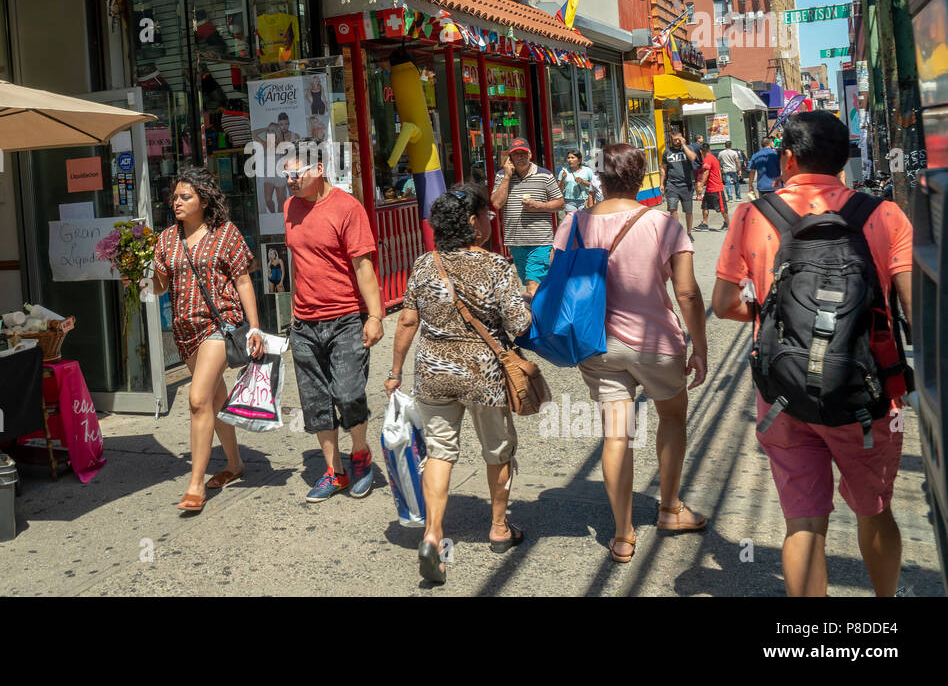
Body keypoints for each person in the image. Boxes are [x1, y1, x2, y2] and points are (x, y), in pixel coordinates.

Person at [712, 113, 913, 597]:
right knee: (875, 510)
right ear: (846, 158)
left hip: (784, 395)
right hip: (866, 397)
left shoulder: (751, 214)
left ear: (788, 157)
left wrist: (774, 311)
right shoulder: (884, 215)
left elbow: (723, 305)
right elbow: (915, 309)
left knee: (802, 524)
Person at [552, 144, 709, 563]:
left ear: (599, 177)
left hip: (598, 345)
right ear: (642, 178)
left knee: (615, 434)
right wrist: (701, 349)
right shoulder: (663, 223)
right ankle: (670, 508)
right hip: (656, 343)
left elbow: (558, 280)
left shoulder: (574, 222)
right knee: (672, 417)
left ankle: (623, 535)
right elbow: (688, 293)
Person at [386, 184, 530, 583]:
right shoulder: (497, 266)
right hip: (484, 373)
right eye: (487, 214)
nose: (491, 220)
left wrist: (395, 372)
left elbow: (407, 321)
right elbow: (519, 324)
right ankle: (499, 528)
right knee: (497, 450)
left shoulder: (424, 264)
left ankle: (433, 535)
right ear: (472, 223)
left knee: (439, 451)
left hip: (433, 371)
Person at [151, 168, 266, 513]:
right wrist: (136, 276)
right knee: (215, 399)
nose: (177, 202)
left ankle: (195, 484)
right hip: (185, 331)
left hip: (219, 323)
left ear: (203, 199)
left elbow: (243, 281)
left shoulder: (224, 233)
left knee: (198, 398)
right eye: (174, 197)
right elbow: (158, 287)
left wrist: (256, 327)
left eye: (185, 196)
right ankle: (234, 464)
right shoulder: (167, 239)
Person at [283, 143, 385, 502]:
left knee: (348, 393)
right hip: (304, 323)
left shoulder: (347, 208)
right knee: (315, 401)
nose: (291, 180)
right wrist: (295, 312)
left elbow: (363, 266)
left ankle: (359, 455)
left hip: (345, 319)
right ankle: (334, 471)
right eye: (287, 174)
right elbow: (301, 262)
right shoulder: (290, 207)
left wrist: (374, 315)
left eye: (297, 173)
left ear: (320, 169)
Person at [490, 139, 564, 295]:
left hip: (540, 241)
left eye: (523, 153)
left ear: (530, 154)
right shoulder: (502, 176)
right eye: (516, 154)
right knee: (532, 284)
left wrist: (539, 206)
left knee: (532, 286)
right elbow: (497, 203)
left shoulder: (545, 175)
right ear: (510, 158)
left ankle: (533, 319)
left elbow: (560, 203)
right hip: (515, 242)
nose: (520, 157)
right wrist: (507, 177)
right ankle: (544, 310)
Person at [252, 112, 297, 213]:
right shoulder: (264, 144)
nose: (269, 132)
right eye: (269, 131)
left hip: (280, 176)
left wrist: (276, 130)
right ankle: (272, 214)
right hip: (269, 175)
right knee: (268, 200)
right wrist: (265, 128)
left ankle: (280, 218)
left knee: (281, 200)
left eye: (272, 130)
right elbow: (253, 133)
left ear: (277, 132)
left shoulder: (281, 144)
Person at [660, 129, 700, 238]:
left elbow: (692, 158)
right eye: (674, 139)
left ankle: (689, 232)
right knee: (672, 209)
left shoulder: (688, 149)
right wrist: (661, 184)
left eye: (679, 139)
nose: (677, 141)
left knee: (688, 211)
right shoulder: (667, 152)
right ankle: (677, 233)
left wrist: (684, 145)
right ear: (671, 139)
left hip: (686, 185)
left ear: (682, 138)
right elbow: (663, 168)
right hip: (672, 185)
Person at [694, 142, 730, 232]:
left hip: (715, 188)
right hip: (710, 187)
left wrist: (701, 185)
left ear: (701, 151)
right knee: (705, 206)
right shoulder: (713, 158)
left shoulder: (708, 159)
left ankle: (728, 224)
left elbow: (706, 172)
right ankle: (704, 223)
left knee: (722, 208)